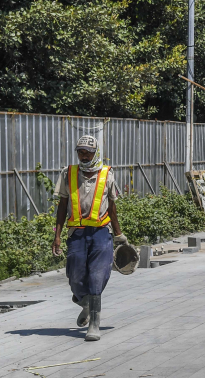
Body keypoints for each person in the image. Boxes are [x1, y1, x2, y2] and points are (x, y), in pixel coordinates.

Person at [52, 135, 127, 341]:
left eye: (88, 152)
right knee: (74, 275)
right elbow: (61, 206)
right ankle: (85, 303)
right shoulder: (68, 173)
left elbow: (112, 207)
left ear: (96, 153)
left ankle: (94, 324)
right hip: (77, 233)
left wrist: (119, 235)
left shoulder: (107, 174)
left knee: (97, 276)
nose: (84, 156)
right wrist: (57, 236)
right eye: (80, 152)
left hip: (102, 233)